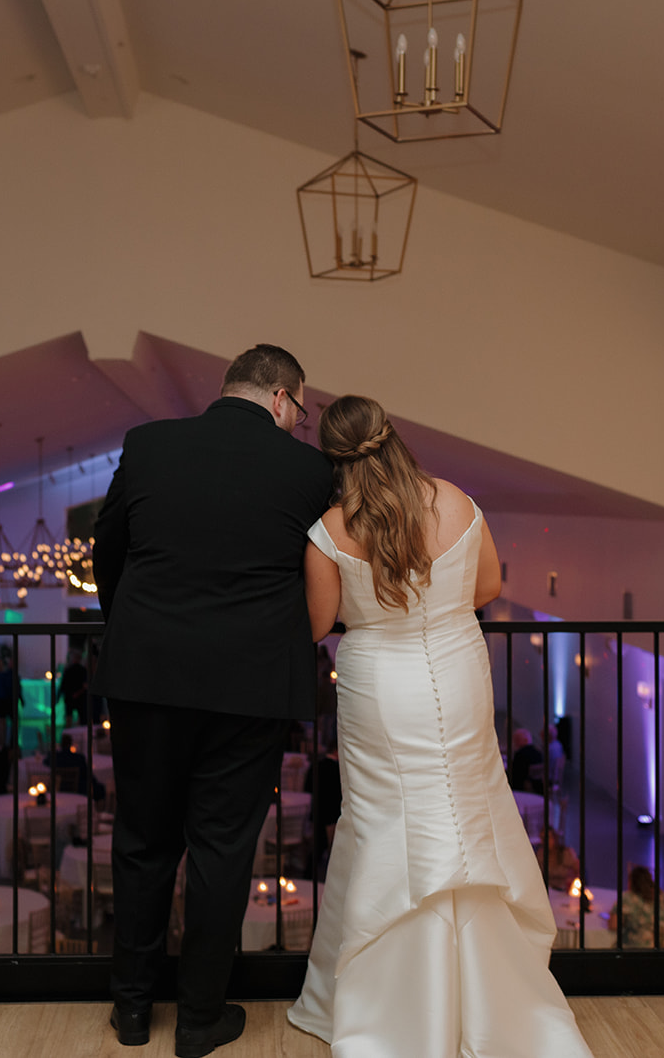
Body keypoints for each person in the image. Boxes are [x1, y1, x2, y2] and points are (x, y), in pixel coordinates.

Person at [287, 395, 592, 1056]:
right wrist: (436, 604)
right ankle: (487, 995)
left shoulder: (329, 530)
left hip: (377, 684)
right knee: (468, 806)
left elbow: (316, 624)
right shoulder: (454, 500)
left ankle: (391, 1000)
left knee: (382, 821)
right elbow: (488, 586)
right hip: (458, 667)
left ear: (332, 460)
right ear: (393, 436)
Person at [93, 344, 333, 1056]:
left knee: (142, 841)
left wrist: (137, 626)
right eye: (301, 409)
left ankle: (132, 1010)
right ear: (285, 397)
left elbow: (109, 551)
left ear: (229, 387)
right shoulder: (309, 470)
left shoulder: (148, 444)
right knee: (222, 850)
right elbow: (316, 574)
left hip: (149, 673)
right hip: (250, 685)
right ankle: (200, 1017)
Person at [609, 864, 664, 949]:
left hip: (642, 950)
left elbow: (613, 925)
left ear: (631, 882)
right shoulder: (663, 896)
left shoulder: (628, 898)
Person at [507, 727, 543, 792]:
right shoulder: (538, 752)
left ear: (525, 740)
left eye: (517, 740)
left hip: (521, 790)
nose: (514, 742)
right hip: (538, 789)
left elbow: (515, 776)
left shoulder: (520, 754)